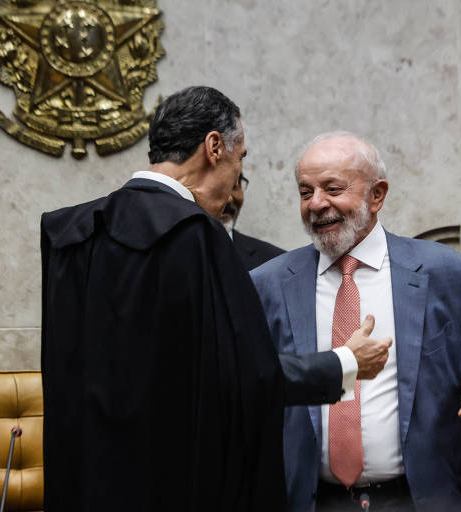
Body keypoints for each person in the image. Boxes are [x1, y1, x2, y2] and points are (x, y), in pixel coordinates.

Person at [40, 87, 389, 511]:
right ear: (214, 147)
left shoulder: (72, 232)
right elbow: (241, 378)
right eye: (240, 160)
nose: (235, 181)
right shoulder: (196, 236)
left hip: (86, 485)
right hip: (173, 487)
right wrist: (346, 362)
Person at [250, 131, 461, 512]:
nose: (316, 204)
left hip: (419, 498)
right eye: (305, 192)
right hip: (309, 501)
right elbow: (254, 381)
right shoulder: (268, 283)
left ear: (377, 195)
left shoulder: (444, 271)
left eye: (333, 188)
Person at [221, 171, 285, 270]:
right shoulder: (188, 253)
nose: (229, 199)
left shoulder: (277, 263)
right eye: (219, 186)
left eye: (235, 185)